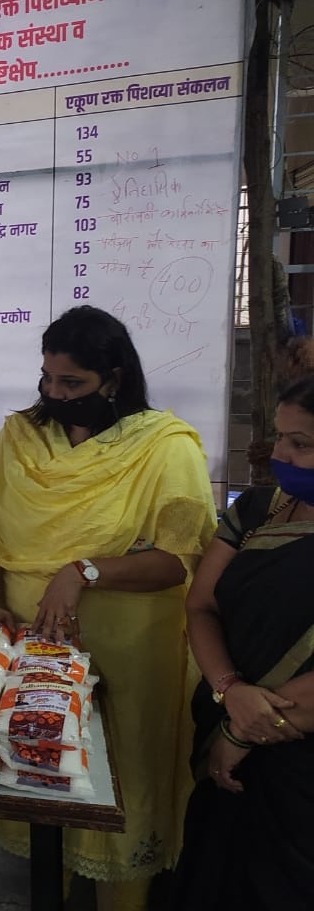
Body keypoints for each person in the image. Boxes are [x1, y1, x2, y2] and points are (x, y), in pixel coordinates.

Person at [0, 305, 217, 911]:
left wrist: (83, 571)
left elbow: (180, 558)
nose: (54, 393)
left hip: (129, 651)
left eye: (71, 383)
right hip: (28, 645)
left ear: (114, 379)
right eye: (47, 379)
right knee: (44, 772)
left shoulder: (162, 446)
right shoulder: (20, 436)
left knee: (122, 784)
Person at [172, 376, 314, 910]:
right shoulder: (256, 511)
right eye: (280, 437)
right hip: (223, 735)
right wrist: (228, 689)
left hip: (299, 768)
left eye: (299, 444)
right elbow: (201, 605)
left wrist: (246, 730)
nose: (278, 453)